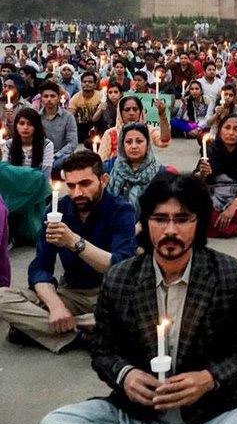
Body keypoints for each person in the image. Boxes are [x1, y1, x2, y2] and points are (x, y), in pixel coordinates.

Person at [35, 172, 237, 424]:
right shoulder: (120, 278)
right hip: (138, 419)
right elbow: (102, 349)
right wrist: (126, 376)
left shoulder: (229, 273)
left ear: (199, 222)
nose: (170, 231)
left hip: (207, 417)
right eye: (160, 219)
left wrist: (208, 378)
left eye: (183, 219)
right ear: (145, 222)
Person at [0, 150, 136, 353]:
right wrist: (55, 306)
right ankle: (81, 334)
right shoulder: (57, 211)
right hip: (72, 293)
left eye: (85, 184)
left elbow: (119, 266)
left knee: (143, 316)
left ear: (104, 180)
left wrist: (73, 241)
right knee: (3, 297)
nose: (77, 193)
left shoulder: (121, 210)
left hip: (112, 295)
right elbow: (40, 268)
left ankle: (43, 329)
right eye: (71, 186)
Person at [106, 124, 166, 216]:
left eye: (139, 141)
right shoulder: (110, 167)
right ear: (122, 145)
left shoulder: (159, 173)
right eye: (129, 142)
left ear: (147, 144)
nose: (134, 146)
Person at [98, 94, 171, 161]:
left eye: (135, 109)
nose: (131, 113)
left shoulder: (148, 130)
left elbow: (164, 141)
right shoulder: (111, 133)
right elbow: (101, 160)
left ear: (140, 112)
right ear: (120, 112)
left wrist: (162, 115)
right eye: (127, 110)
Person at [1, 106, 54, 180]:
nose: (25, 127)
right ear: (16, 126)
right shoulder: (9, 144)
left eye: (30, 124)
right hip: (15, 183)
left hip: (38, 184)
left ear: (36, 126)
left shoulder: (47, 144)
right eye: (22, 123)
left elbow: (46, 173)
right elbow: (5, 169)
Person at [38, 81, 78, 172]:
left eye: (52, 96)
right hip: (41, 155)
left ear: (59, 97)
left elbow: (72, 143)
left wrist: (56, 155)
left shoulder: (68, 117)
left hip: (61, 156)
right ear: (41, 98)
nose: (49, 99)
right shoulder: (36, 117)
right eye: (45, 96)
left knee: (69, 160)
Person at [69, 71, 102, 143]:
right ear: (81, 83)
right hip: (82, 125)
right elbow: (70, 116)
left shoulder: (101, 96)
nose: (87, 84)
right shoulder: (75, 97)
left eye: (90, 82)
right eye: (84, 82)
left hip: (98, 125)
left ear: (95, 84)